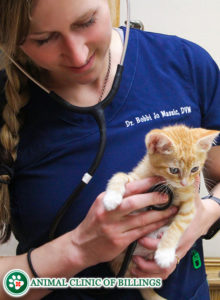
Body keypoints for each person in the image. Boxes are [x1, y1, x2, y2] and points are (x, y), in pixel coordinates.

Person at [0, 0, 219, 299]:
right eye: (44, 39)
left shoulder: (185, 63)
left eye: (87, 21)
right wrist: (78, 249)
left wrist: (205, 214)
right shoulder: (7, 102)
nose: (78, 56)